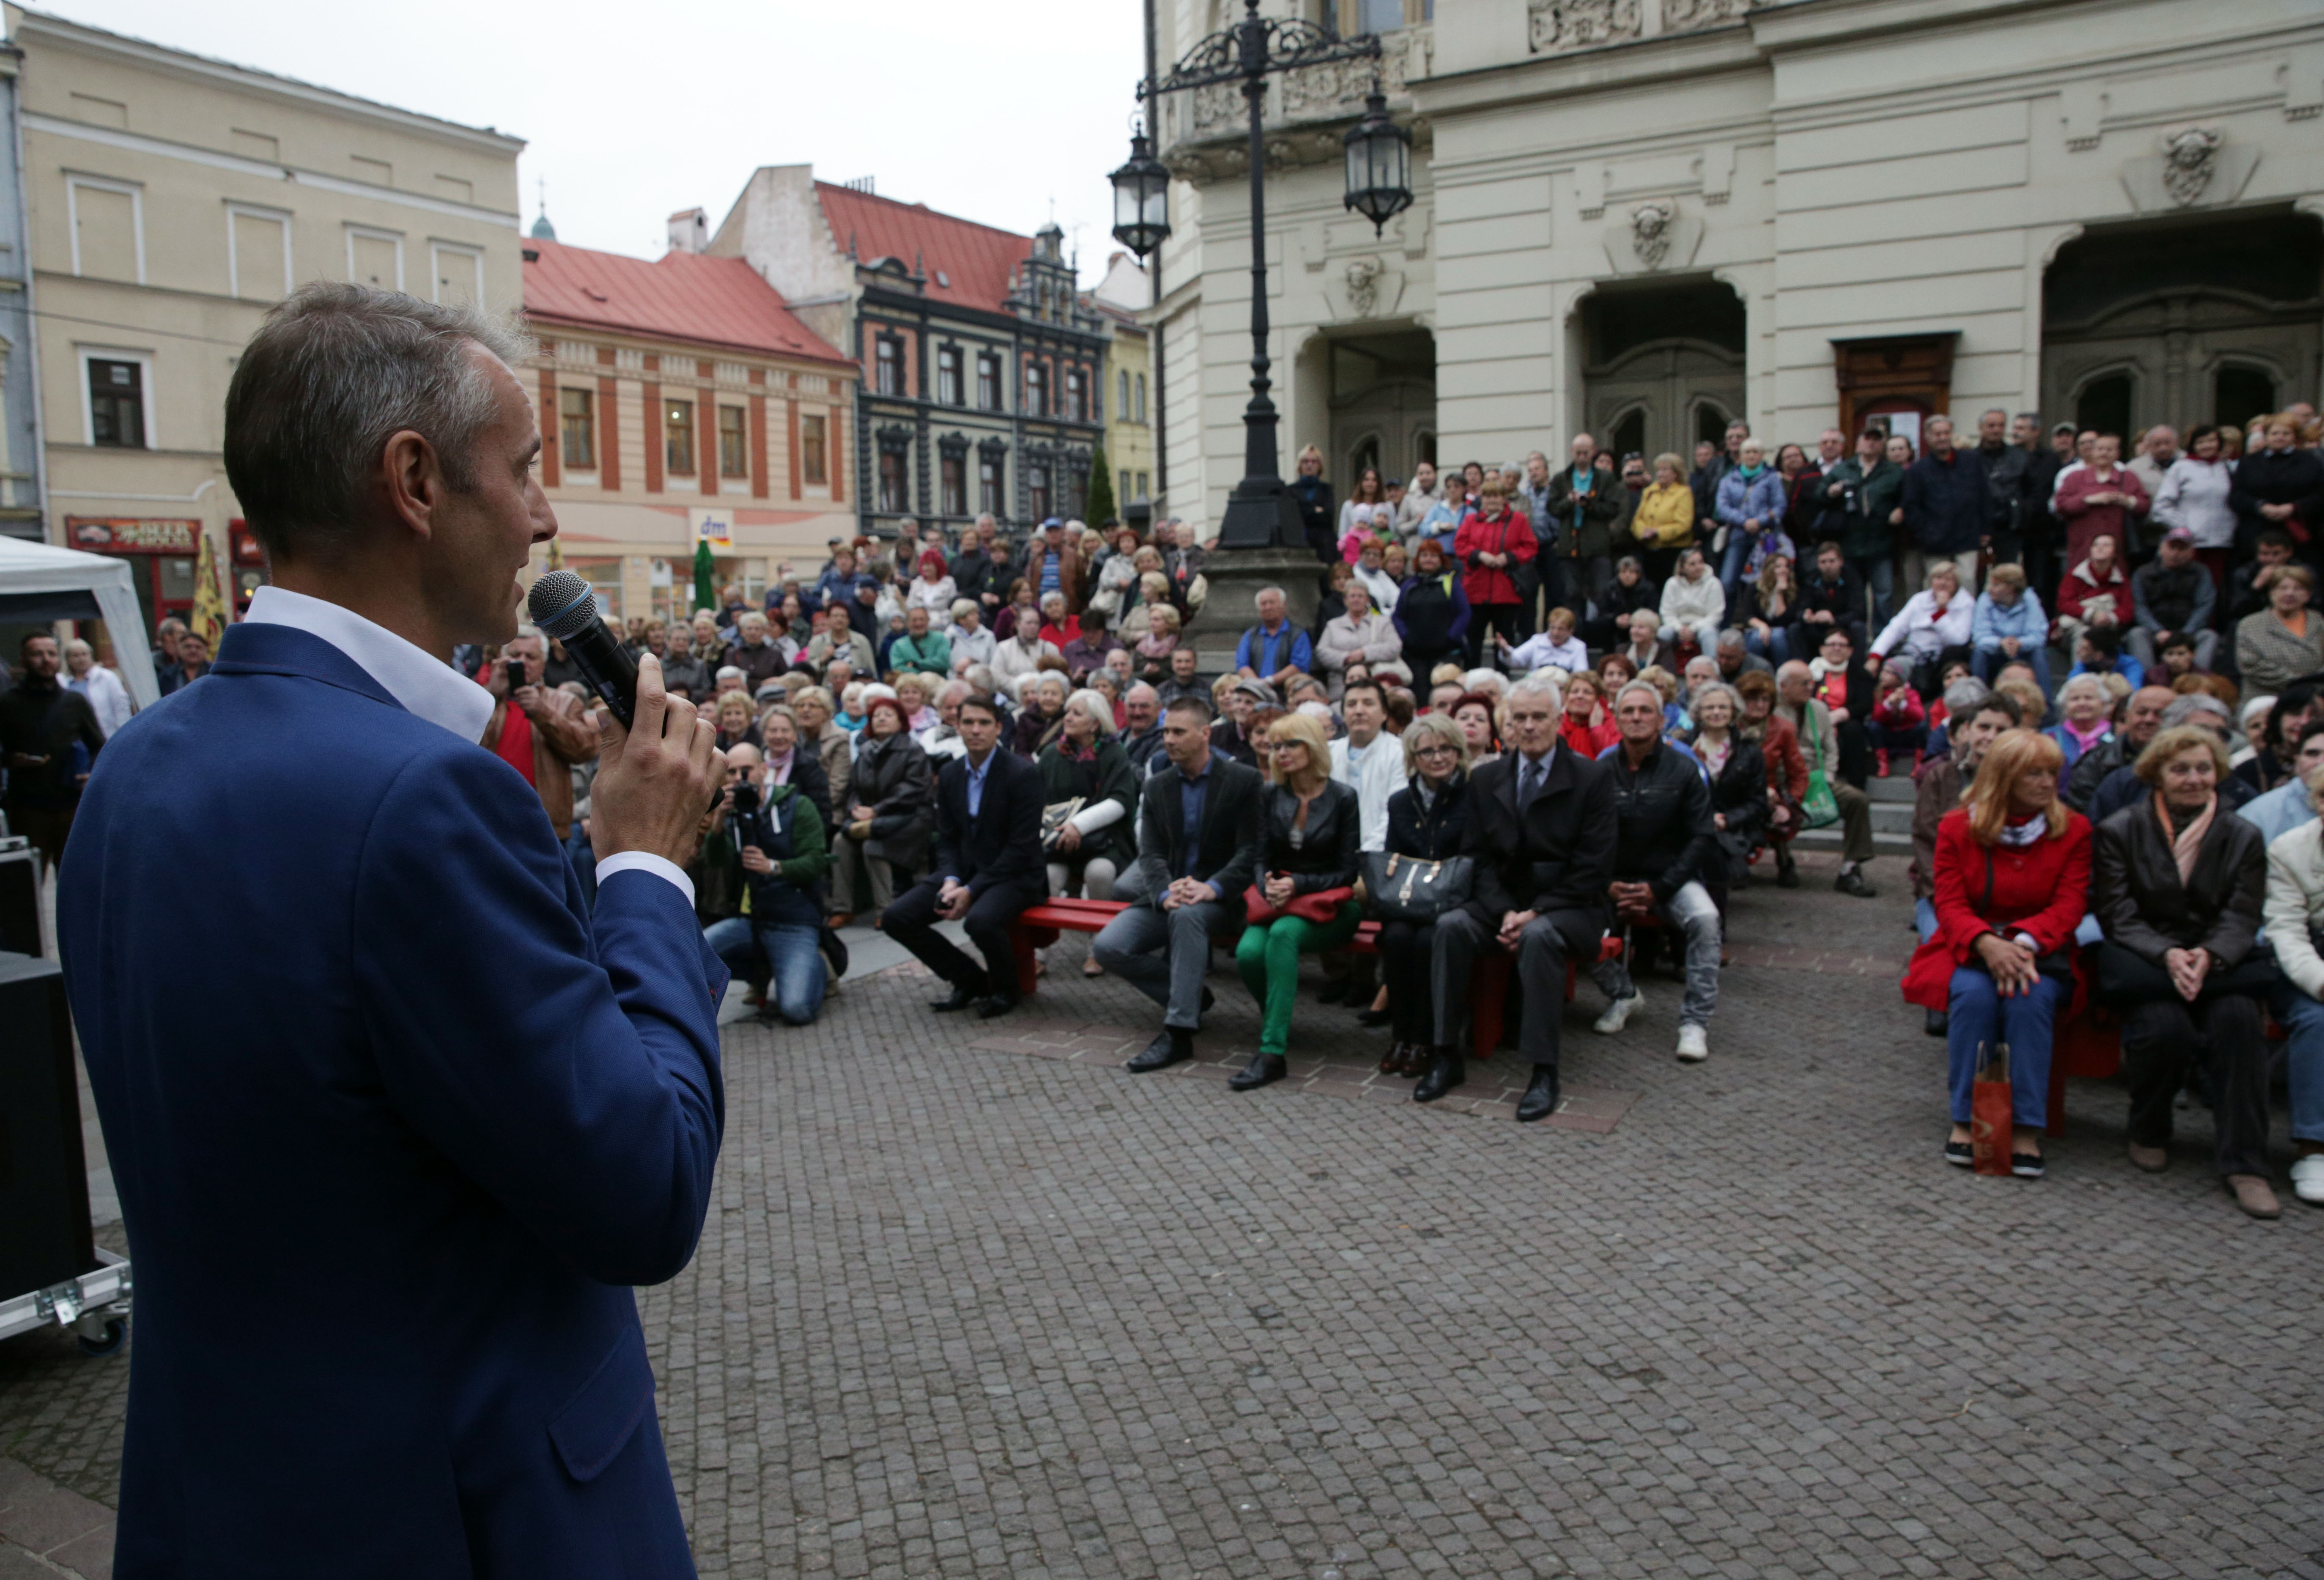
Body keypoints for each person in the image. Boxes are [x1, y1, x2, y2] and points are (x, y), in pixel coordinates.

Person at [58, 283, 727, 1575]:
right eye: (524, 470)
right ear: (414, 481)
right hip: (462, 1517)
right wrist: (640, 869)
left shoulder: (131, 772)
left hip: (227, 1501)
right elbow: (643, 1188)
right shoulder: (424, 798)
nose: (542, 516)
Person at [2091, 725, 2278, 1218]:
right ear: (2158, 774)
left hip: (2219, 963)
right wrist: (2167, 954)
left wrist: (2209, 955)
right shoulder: (2121, 830)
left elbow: (2244, 912)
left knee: (2239, 1022)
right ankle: (2148, 1127)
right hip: (2150, 959)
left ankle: (2246, 1162)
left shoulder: (2244, 835)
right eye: (2180, 769)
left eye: (2202, 768)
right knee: (2163, 1026)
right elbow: (2118, 912)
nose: (2193, 779)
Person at [1417, 676, 1615, 1116]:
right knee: (1450, 926)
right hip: (1501, 905)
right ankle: (1445, 1054)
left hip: (1569, 906)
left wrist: (1536, 912)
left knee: (1541, 936)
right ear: (1506, 725)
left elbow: (1594, 866)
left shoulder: (1591, 778)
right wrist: (1506, 910)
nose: (1528, 726)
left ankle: (1544, 1071)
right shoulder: (1486, 778)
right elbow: (1476, 858)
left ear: (1559, 720)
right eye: (1519, 717)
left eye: (1538, 717)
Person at [1902, 728, 2089, 1178]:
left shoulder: (2075, 830)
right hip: (1971, 944)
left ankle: (2025, 1125)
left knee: (2032, 999)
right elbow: (1947, 901)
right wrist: (1987, 943)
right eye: (2035, 775)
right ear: (2004, 778)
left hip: (2038, 950)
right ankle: (1966, 1119)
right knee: (1974, 997)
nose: (2048, 784)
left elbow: (2070, 903)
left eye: (2052, 773)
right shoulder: (1956, 827)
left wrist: (2021, 944)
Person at [1102, 695, 1266, 1070]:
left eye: (1179, 732)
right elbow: (1152, 853)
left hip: (1224, 899)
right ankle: (1192, 996)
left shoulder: (1244, 780)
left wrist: (1214, 887)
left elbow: (1251, 851)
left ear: (1206, 733)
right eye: (1166, 732)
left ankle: (1179, 1032)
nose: (1169, 740)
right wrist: (1163, 891)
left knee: (1189, 917)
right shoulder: (1159, 785)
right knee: (1110, 946)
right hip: (1170, 894)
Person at [880, 691, 1045, 1019]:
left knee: (981, 921)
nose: (975, 730)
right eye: (968, 722)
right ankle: (970, 980)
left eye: (984, 723)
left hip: (1017, 875)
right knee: (897, 918)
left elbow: (1020, 848)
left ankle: (1007, 989)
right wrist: (951, 880)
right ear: (957, 726)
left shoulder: (1022, 774)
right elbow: (947, 839)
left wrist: (970, 891)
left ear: (999, 728)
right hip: (965, 872)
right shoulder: (952, 774)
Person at [1581, 680, 1722, 1061]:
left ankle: (1695, 1023)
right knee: (1567, 916)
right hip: (1611, 880)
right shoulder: (1599, 770)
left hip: (1671, 879)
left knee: (1707, 920)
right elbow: (1586, 835)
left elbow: (1702, 837)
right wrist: (1608, 884)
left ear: (1661, 719)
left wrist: (1661, 888)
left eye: (1645, 711)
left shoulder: (1684, 769)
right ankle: (1623, 995)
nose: (1637, 718)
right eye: (1628, 711)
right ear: (1616, 718)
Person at [1225, 709, 1362, 1089]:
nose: (1281, 752)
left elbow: (1349, 871)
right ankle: (1277, 1020)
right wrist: (1268, 883)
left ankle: (1272, 1053)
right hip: (1278, 901)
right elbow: (1259, 855)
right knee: (1250, 953)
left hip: (1330, 906)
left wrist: (1298, 883)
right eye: (1276, 745)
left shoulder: (1343, 798)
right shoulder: (1271, 794)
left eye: (1291, 744)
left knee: (1283, 934)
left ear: (1314, 746)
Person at [1371, 713, 1475, 1077]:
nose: (1437, 758)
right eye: (1427, 751)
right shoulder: (1402, 801)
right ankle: (1401, 1035)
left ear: (1458, 751)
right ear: (1413, 758)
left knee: (1430, 942)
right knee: (1397, 939)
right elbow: (1393, 857)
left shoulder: (1472, 795)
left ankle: (1426, 1040)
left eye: (1445, 749)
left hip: (1453, 899)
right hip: (1410, 899)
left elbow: (1475, 856)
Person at [702, 743, 830, 1026]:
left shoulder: (797, 806)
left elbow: (817, 863)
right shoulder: (733, 814)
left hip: (794, 920)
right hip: (752, 920)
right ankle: (761, 973)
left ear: (763, 769)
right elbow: (715, 861)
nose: (739, 778)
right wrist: (719, 819)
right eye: (731, 772)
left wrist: (773, 867)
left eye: (745, 770)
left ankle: (818, 966)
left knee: (797, 1010)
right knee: (696, 953)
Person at [2261, 760, 2324, 1206]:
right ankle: (2313, 1147)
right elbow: (2285, 929)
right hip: (2305, 969)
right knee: (2318, 1021)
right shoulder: (2290, 849)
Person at [482, 631, 601, 842]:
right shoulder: (483, 700)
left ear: (544, 663)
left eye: (531, 657)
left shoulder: (564, 702)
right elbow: (464, 742)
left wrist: (541, 711)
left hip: (545, 828)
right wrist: (491, 694)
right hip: (490, 822)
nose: (522, 662)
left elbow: (584, 750)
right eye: (515, 655)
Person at [1, 632, 108, 868]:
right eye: (37, 654)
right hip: (27, 809)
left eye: (51, 654)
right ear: (24, 659)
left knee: (77, 884)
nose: (46, 660)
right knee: (26, 886)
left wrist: (91, 773)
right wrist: (11, 760)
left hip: (71, 808)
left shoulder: (74, 702)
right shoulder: (8, 703)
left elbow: (100, 746)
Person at [1775, 659, 1880, 896]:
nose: (1810, 687)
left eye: (1811, 682)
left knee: (1857, 800)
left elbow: (1832, 750)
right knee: (1774, 803)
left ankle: (1850, 868)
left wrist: (1829, 778)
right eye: (1803, 683)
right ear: (1783, 686)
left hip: (1817, 779)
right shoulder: (1771, 712)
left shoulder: (1819, 709)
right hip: (1784, 782)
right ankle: (1784, 862)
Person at [1038, 686, 1138, 916]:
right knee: (1047, 877)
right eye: (1068, 711)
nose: (1069, 717)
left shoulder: (1114, 754)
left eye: (1077, 713)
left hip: (1104, 842)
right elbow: (1036, 799)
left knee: (1100, 873)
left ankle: (1100, 940)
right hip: (1057, 842)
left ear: (1095, 724)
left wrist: (1078, 826)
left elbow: (1120, 801)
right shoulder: (1051, 754)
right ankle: (1046, 944)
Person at [834, 696, 933, 926]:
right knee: (841, 841)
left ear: (901, 722)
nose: (881, 719)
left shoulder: (912, 749)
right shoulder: (866, 750)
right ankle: (843, 907)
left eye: (888, 715)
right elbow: (854, 788)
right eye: (877, 716)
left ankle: (885, 911)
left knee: (873, 845)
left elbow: (913, 790)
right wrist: (857, 809)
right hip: (873, 818)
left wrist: (877, 811)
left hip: (910, 818)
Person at [1455, 480, 1535, 662]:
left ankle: (1503, 678)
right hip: (1475, 590)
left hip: (1506, 591)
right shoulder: (1470, 521)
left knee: (1504, 640)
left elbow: (1530, 547)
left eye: (1496, 496)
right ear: (1482, 499)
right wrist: (1480, 555)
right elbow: (1460, 546)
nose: (1492, 500)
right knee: (1474, 638)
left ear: (1504, 499)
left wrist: (1508, 558)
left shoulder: (1518, 520)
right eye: (1488, 496)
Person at [1870, 562, 1974, 693]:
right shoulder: (1919, 599)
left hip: (1938, 659)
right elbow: (1895, 628)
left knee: (1955, 653)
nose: (1942, 583)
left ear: (1957, 584)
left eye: (1948, 579)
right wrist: (1875, 656)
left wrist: (1941, 612)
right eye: (1938, 578)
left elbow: (1959, 640)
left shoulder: (1965, 603)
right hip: (1912, 652)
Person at [2229, 412, 2324, 553]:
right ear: (2266, 436)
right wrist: (2261, 506)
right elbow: (2237, 495)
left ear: (2295, 437)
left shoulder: (2310, 462)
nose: (2280, 437)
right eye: (2275, 433)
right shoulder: (2249, 462)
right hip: (2256, 530)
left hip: (2298, 531)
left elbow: (2319, 495)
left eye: (2286, 434)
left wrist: (2293, 508)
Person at [2127, 527, 2217, 673]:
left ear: (2192, 552)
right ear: (2162, 548)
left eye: (2182, 549)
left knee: (2209, 636)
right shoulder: (2143, 573)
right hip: (2155, 632)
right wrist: (2158, 631)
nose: (2176, 553)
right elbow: (2139, 606)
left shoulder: (2201, 573)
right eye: (2172, 547)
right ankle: (2149, 681)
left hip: (2189, 631)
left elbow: (2205, 606)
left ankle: (2198, 681)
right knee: (2137, 634)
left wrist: (2186, 633)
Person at [2056, 433, 2150, 566]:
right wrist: (2088, 500)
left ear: (2118, 454)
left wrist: (2128, 501)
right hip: (2082, 545)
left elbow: (2145, 506)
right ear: (2092, 452)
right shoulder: (2075, 477)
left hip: (2119, 546)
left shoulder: (2129, 477)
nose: (2104, 453)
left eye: (2109, 450)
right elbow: (2061, 506)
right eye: (2100, 449)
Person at [2235, 562, 2324, 695]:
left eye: (2298, 589)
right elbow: (2251, 665)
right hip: (2266, 698)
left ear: (2308, 595)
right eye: (2283, 588)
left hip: (2316, 695)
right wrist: (2301, 682)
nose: (2290, 594)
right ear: (2272, 593)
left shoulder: (2318, 621)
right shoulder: (2250, 624)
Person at [1394, 537, 1471, 679]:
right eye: (1424, 556)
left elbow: (1464, 613)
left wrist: (1451, 638)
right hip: (1414, 654)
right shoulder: (1409, 585)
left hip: (1445, 653)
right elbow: (1398, 615)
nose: (1428, 559)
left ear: (1441, 560)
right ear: (1418, 559)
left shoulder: (1451, 583)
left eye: (1433, 556)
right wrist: (1406, 637)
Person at [1970, 562, 2051, 695]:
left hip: (2022, 651)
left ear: (2011, 588)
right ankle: (1975, 700)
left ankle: (2047, 706)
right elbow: (1980, 636)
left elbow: (2038, 636)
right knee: (1980, 652)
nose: (1990, 589)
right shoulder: (1985, 600)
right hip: (1996, 652)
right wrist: (2000, 643)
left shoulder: (2030, 600)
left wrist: (2020, 643)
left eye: (1996, 585)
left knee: (2038, 653)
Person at [1317, 582, 1402, 699]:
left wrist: (1365, 654)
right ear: (1345, 600)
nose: (1356, 600)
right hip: (1340, 689)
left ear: (1367, 600)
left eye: (1360, 596)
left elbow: (1395, 647)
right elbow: (1322, 652)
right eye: (1352, 596)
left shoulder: (1383, 623)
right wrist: (1346, 658)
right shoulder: (1333, 625)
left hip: (1376, 685)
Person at [1235, 585, 1313, 687]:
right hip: (1256, 694)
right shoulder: (1251, 635)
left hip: (1288, 693)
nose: (1268, 607)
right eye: (1263, 604)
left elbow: (1299, 665)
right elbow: (1242, 665)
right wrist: (1258, 686)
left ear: (1284, 605)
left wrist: (1269, 682)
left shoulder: (1298, 634)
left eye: (1272, 603)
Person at [60, 638, 135, 738]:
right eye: (76, 656)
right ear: (68, 659)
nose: (81, 659)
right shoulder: (63, 683)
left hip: (106, 736)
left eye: (84, 654)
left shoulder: (108, 678)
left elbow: (122, 707)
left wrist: (123, 735)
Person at [1657, 546, 1724, 654]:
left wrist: (1693, 629)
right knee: (1663, 633)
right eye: (1692, 564)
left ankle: (1713, 667)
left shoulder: (1714, 583)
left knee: (1709, 634)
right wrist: (1680, 629)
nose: (1698, 567)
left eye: (1701, 562)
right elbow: (1667, 613)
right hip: (1677, 627)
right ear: (1682, 568)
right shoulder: (1672, 583)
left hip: (1703, 627)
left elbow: (1716, 615)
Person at [1291, 444, 1337, 563]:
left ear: (1320, 466)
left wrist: (1305, 509)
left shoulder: (1327, 489)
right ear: (1300, 466)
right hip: (1300, 546)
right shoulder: (1290, 491)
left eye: (1314, 462)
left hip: (1324, 547)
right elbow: (1294, 517)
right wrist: (1315, 510)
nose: (1309, 465)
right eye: (1305, 461)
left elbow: (1328, 516)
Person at [887, 603, 951, 678]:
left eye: (922, 619)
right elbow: (898, 669)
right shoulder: (899, 646)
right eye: (914, 620)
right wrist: (923, 676)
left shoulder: (940, 638)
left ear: (928, 620)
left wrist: (916, 664)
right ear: (907, 623)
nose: (918, 624)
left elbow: (944, 663)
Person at [1117, 681, 1165, 773]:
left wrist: (1116, 759)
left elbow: (1148, 779)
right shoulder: (1119, 736)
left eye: (1144, 706)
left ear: (1159, 709)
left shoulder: (1164, 741)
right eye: (1132, 706)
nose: (1137, 713)